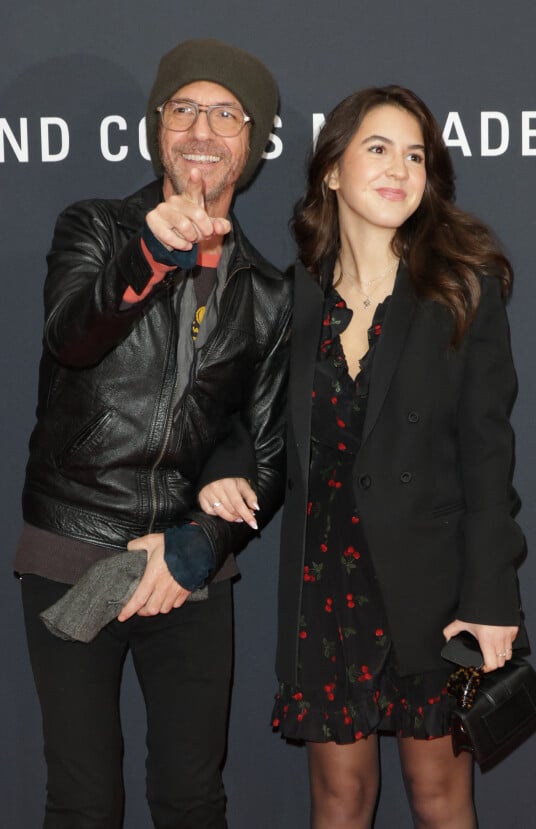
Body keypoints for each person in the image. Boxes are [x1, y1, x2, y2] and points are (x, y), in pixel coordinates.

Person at [201, 85, 526, 828]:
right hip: (327, 586)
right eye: (378, 148)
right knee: (340, 801)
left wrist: (491, 598)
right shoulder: (291, 300)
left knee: (441, 799)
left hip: (435, 589)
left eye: (416, 155)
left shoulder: (461, 289)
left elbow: (489, 460)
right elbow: (239, 417)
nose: (400, 168)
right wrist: (225, 461)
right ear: (332, 172)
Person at [14, 38, 291, 829]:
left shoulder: (270, 294)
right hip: (72, 546)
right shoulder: (96, 228)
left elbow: (268, 454)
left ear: (252, 139)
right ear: (157, 127)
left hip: (188, 572)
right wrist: (151, 254)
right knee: (83, 802)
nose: (203, 128)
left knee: (193, 800)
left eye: (226, 113)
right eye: (184, 108)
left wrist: (196, 546)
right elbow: (72, 337)